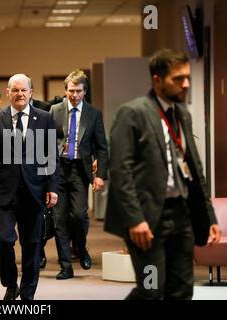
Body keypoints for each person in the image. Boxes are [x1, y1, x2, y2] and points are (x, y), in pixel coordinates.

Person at [105, 48, 222, 300]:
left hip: (182, 215)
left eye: (187, 77)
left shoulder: (182, 115)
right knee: (151, 290)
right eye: (178, 79)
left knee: (181, 290)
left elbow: (195, 170)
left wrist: (210, 216)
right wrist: (135, 219)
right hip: (148, 217)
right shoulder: (133, 112)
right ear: (157, 80)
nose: (186, 84)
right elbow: (120, 170)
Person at [0, 74, 59, 300]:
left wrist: (53, 187)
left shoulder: (44, 118)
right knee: (4, 240)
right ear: (8, 93)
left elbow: (51, 156)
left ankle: (27, 292)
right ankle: (10, 283)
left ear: (31, 92)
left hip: (34, 191)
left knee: (32, 244)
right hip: (4, 192)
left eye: (24, 90)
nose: (20, 94)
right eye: (15, 90)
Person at [50, 69, 108, 279]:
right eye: (71, 91)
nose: (74, 95)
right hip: (57, 170)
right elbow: (46, 142)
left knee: (78, 216)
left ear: (85, 92)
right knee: (59, 220)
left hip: (79, 171)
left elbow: (102, 147)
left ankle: (80, 248)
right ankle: (66, 266)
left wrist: (100, 174)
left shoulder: (94, 114)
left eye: (79, 91)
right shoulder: (55, 111)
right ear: (65, 90)